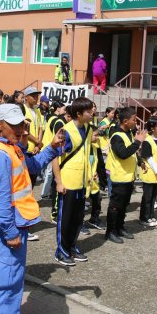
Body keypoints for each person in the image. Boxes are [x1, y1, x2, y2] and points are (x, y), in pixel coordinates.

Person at [0, 103, 64, 314]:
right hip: (9, 228)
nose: (20, 128)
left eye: (22, 124)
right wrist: (11, 232)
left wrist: (51, 147)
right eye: (14, 124)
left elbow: (34, 166)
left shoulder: (9, 148)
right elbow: (2, 200)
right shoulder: (2, 154)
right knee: (9, 285)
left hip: (4, 226)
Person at [51, 97, 93, 266]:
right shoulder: (65, 131)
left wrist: (90, 174)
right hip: (67, 183)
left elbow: (86, 152)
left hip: (82, 183)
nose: (92, 114)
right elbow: (55, 157)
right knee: (65, 219)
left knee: (77, 219)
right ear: (78, 113)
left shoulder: (88, 129)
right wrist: (59, 182)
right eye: (89, 111)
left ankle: (72, 247)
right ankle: (61, 251)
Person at [105, 107, 146, 244]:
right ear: (125, 121)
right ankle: (110, 231)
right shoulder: (116, 136)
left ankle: (120, 227)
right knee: (115, 206)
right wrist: (138, 142)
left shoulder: (128, 133)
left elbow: (132, 152)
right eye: (134, 120)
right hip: (120, 177)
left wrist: (140, 162)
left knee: (124, 205)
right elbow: (123, 154)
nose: (136, 122)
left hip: (129, 176)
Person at [139, 118, 157, 227]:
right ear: (152, 128)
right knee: (147, 197)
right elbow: (148, 158)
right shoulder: (147, 140)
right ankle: (144, 218)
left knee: (153, 197)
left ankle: (150, 216)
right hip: (150, 173)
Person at [22, 87, 43, 157]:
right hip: (25, 148)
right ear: (26, 97)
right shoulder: (22, 109)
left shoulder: (37, 111)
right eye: (33, 96)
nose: (36, 98)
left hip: (35, 149)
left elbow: (40, 128)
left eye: (37, 96)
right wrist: (37, 141)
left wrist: (38, 145)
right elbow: (23, 130)